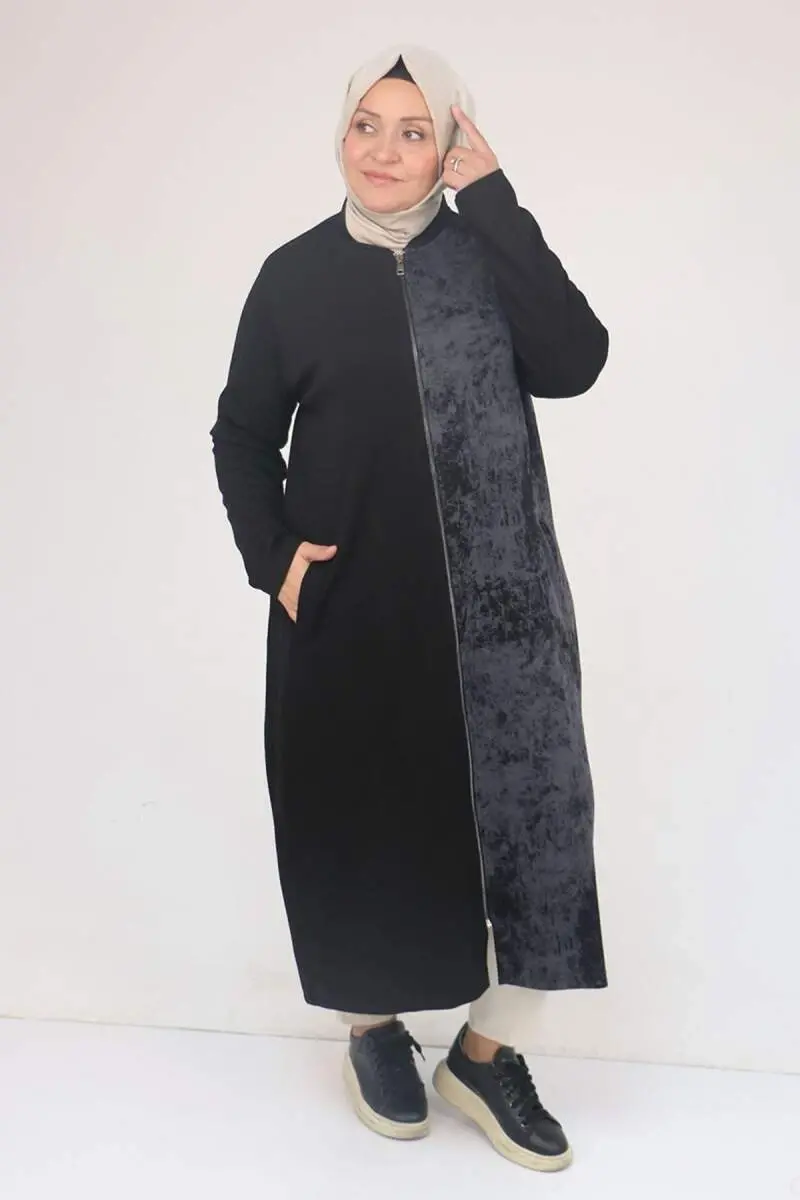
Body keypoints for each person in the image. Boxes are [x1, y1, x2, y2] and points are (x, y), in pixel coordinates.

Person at [210, 43, 609, 1173]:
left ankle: (483, 1056)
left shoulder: (483, 254)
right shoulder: (293, 276)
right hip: (347, 613)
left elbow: (575, 358)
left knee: (540, 839)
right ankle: (372, 1031)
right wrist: (277, 560)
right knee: (354, 823)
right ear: (340, 135)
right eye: (366, 126)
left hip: (499, 621)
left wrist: (496, 202)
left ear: (450, 146)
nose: (384, 151)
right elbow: (241, 434)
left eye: (415, 130)